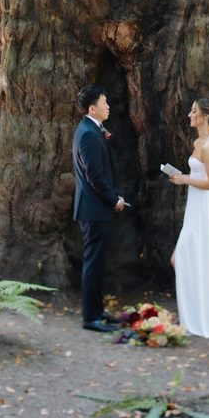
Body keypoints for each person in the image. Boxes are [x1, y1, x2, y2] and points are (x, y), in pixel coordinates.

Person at [169, 97, 209, 339]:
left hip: (205, 208)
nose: (189, 114)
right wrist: (182, 176)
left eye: (194, 110)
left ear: (205, 115)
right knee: (185, 258)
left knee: (181, 258)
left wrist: (185, 180)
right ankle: (193, 316)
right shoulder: (198, 141)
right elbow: (200, 175)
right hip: (194, 207)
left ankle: (200, 318)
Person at [72, 84, 125, 333]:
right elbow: (94, 176)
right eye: (104, 102)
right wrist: (114, 199)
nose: (108, 106)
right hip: (93, 209)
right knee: (93, 263)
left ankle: (97, 311)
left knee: (97, 262)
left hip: (95, 208)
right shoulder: (88, 134)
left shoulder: (93, 130)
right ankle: (90, 317)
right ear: (92, 108)